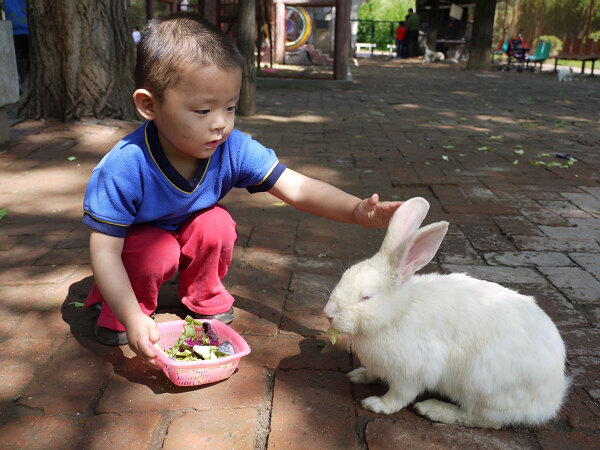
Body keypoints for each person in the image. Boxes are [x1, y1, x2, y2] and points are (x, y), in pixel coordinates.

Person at [82, 13, 402, 368]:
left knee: (215, 225)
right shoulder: (124, 166)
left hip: (186, 229)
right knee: (153, 253)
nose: (220, 123)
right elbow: (105, 253)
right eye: (203, 110)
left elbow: (296, 187)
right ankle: (123, 306)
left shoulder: (231, 147)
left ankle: (202, 295)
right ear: (149, 105)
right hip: (137, 243)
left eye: (230, 107)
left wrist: (356, 210)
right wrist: (132, 317)